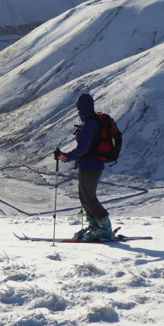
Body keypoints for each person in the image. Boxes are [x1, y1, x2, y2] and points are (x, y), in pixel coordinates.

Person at [54, 93, 112, 240]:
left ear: (83, 108)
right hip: (90, 165)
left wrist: (65, 157)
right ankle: (94, 226)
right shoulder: (92, 122)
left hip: (91, 166)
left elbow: (83, 149)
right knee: (84, 197)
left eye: (79, 109)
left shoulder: (89, 124)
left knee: (89, 198)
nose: (78, 112)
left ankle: (105, 227)